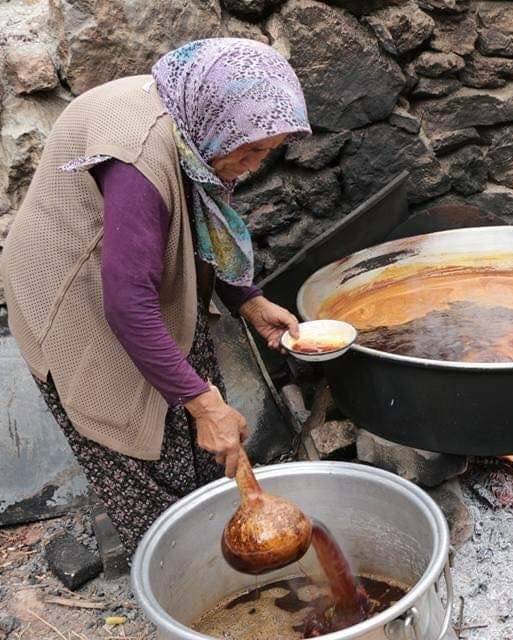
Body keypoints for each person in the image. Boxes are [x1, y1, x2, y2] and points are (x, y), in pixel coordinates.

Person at [1, 38, 312, 560]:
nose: (254, 166)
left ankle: (216, 531)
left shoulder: (191, 117)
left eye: (268, 152)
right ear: (217, 121)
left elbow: (196, 222)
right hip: (71, 289)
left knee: (191, 403)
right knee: (136, 440)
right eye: (251, 150)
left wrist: (248, 301)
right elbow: (127, 306)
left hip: (129, 275)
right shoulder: (139, 156)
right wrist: (206, 406)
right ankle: (176, 567)